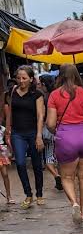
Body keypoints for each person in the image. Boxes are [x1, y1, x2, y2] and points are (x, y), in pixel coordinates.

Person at [46, 64, 83, 224]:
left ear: (60, 76)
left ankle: (74, 203)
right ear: (77, 75)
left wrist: (58, 131)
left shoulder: (54, 95)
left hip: (65, 136)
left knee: (67, 177)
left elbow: (50, 123)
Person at [4, 65, 45, 209]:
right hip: (17, 133)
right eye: (18, 78)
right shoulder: (13, 91)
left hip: (33, 132)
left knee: (36, 164)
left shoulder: (37, 94)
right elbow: (10, 112)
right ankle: (28, 194)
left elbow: (40, 116)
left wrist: (39, 136)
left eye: (24, 78)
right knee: (20, 163)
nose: (21, 81)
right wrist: (7, 130)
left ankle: (39, 193)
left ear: (31, 79)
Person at [39, 75, 63, 191]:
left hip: (48, 130)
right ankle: (62, 177)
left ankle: (57, 175)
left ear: (44, 84)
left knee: (48, 157)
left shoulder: (43, 98)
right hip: (60, 129)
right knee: (59, 157)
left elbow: (42, 116)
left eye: (40, 84)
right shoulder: (59, 95)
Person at [0, 117, 14, 205]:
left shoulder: (2, 128)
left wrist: (10, 148)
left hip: (1, 152)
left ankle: (9, 196)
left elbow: (9, 135)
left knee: (5, 174)